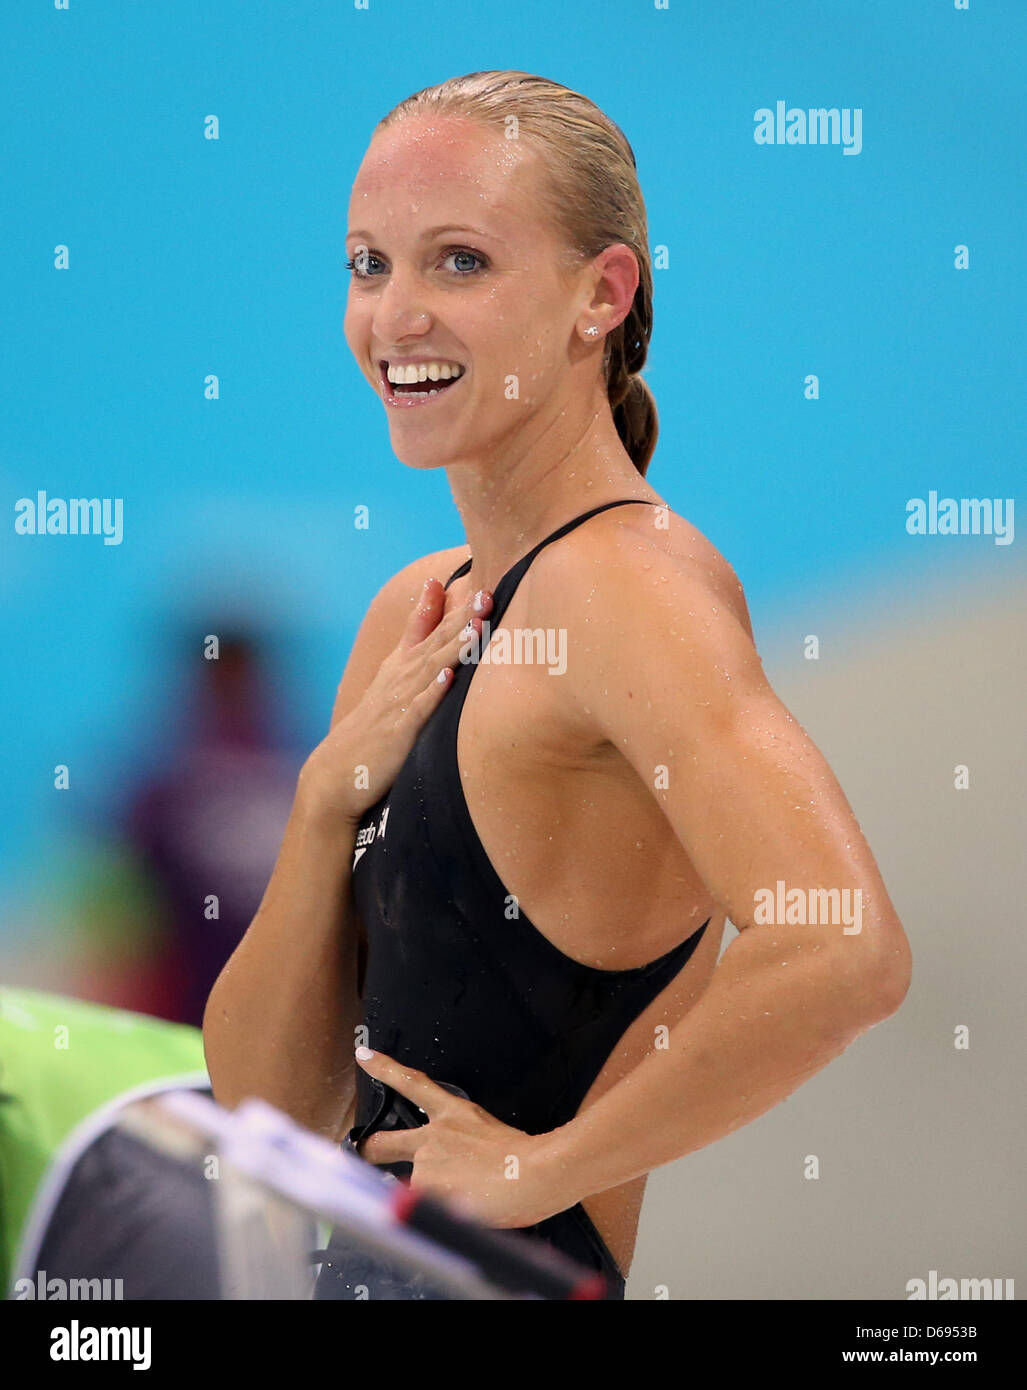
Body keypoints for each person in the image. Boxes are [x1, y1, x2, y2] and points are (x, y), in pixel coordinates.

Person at [203, 70, 912, 1300]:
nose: (397, 314)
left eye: (460, 262)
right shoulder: (415, 609)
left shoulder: (624, 591)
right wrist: (323, 807)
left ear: (602, 293)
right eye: (369, 265)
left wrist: (546, 1170)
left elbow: (841, 944)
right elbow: (269, 1108)